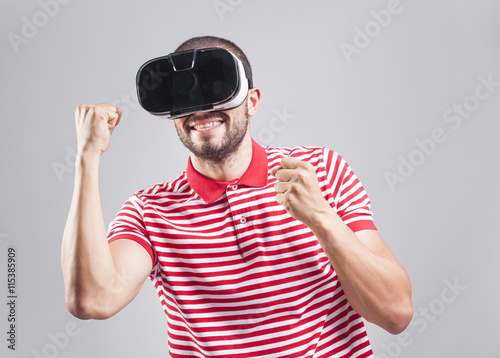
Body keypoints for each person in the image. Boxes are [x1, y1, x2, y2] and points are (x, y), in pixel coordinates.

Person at [61, 36, 412, 358]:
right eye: (185, 99)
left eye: (216, 89)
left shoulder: (320, 170)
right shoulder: (149, 212)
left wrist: (322, 217)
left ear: (252, 101)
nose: (199, 111)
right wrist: (87, 157)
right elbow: (93, 300)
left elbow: (395, 313)